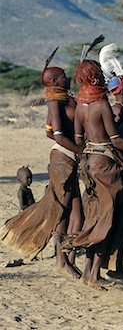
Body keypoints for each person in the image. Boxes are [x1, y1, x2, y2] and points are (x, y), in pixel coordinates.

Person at [62, 55, 123, 290]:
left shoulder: (80, 107)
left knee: (96, 215)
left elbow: (78, 139)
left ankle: (89, 272)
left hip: (88, 165)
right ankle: (93, 273)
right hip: (106, 166)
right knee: (109, 220)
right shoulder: (100, 105)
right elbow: (116, 140)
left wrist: (88, 152)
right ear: (95, 77)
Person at [1, 50, 82, 277]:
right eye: (63, 75)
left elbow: (49, 133)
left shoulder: (60, 99)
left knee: (76, 213)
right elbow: (56, 135)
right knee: (62, 212)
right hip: (63, 160)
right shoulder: (55, 102)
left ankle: (68, 258)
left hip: (67, 158)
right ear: (54, 80)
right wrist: (79, 152)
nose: (67, 77)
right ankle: (62, 260)